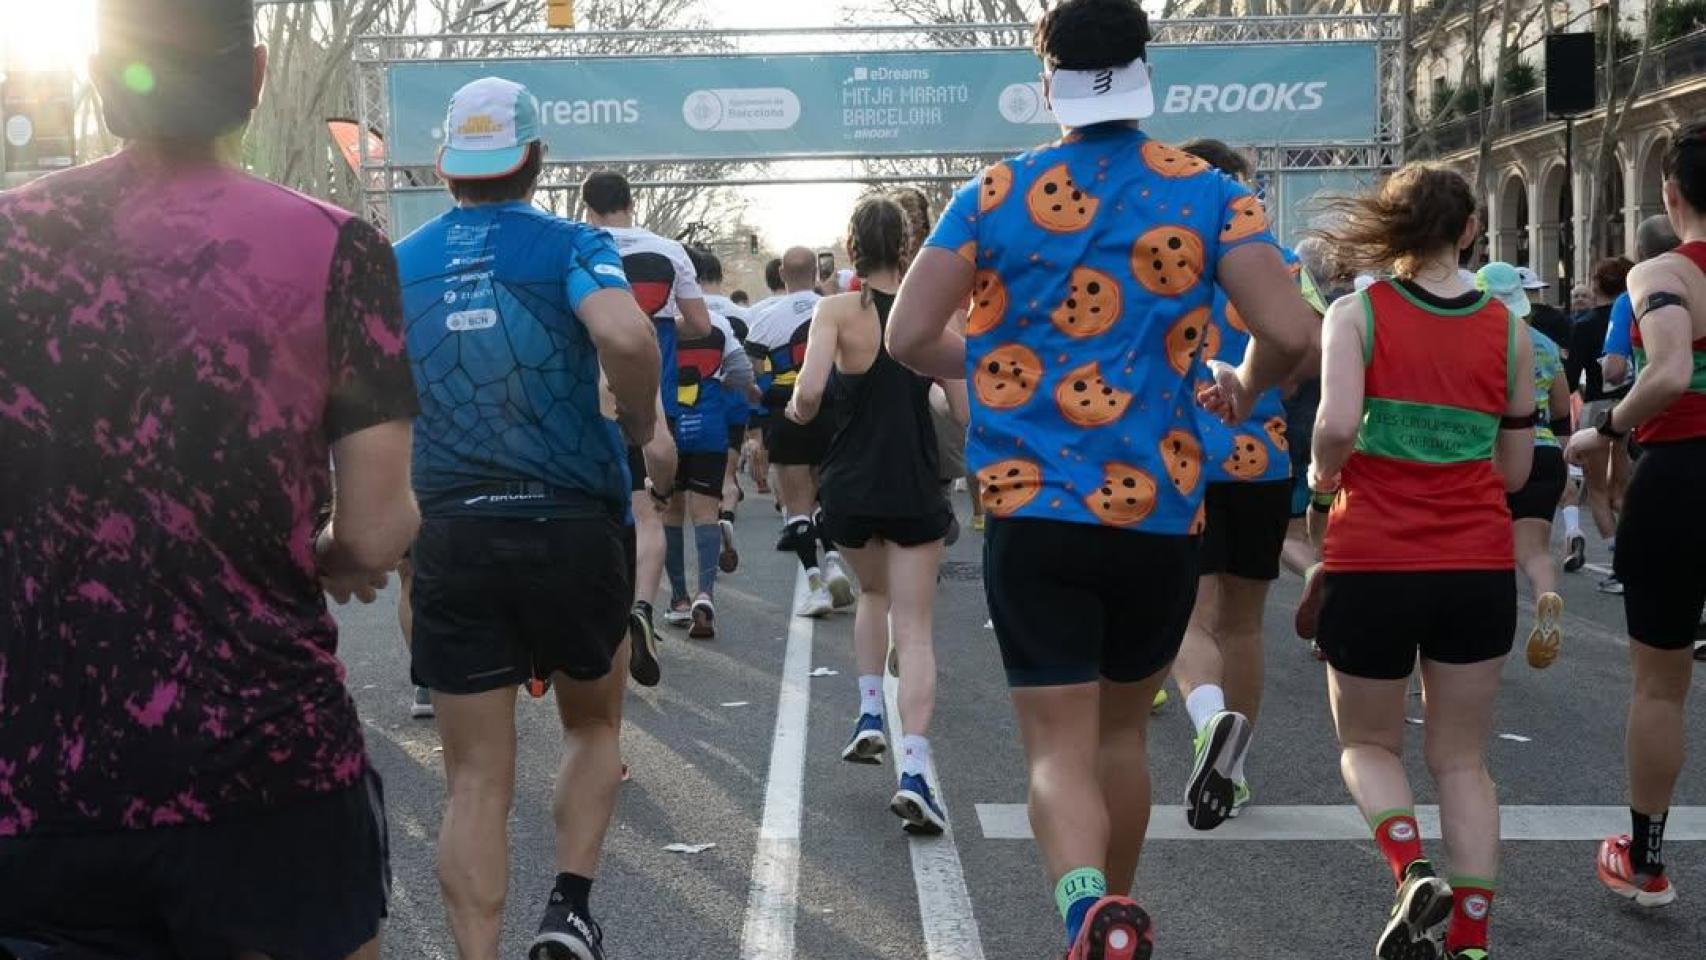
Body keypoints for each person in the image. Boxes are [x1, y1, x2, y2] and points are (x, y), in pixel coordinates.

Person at [888, 0, 1315, 953]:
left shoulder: (992, 192)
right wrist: (1244, 388)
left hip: (1033, 513)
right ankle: (1111, 915)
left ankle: (1086, 906)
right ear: (1142, 66)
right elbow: (1292, 333)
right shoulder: (1213, 194)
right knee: (1121, 737)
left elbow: (908, 336)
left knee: (1056, 749)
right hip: (1161, 517)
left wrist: (995, 369)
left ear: (1047, 83)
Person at [0, 1, 419, 955]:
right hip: (266, 769)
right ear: (257, 76)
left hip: (39, 774)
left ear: (99, 78)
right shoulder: (342, 250)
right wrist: (329, 552)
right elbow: (380, 528)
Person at [395, 79, 662, 960]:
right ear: (538, 160)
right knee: (592, 724)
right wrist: (635, 421)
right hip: (573, 522)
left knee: (473, 777)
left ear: (445, 165)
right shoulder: (577, 243)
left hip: (451, 526)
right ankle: (570, 907)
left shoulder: (397, 262)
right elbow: (625, 338)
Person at [1306, 165, 1535, 960]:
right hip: (1475, 562)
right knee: (1464, 760)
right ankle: (1470, 939)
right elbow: (1513, 470)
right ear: (1470, 229)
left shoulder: (1355, 313)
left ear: (1388, 227)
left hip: (1372, 555)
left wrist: (1321, 475)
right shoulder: (1509, 328)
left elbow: (1336, 425)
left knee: (1368, 747)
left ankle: (1410, 871)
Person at [1565, 122, 1706, 908]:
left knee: (1660, 687)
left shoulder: (1663, 272)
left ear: (1669, 191)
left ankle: (1646, 860)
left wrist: (1605, 427)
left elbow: (1671, 372)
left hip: (1683, 477)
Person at [788, 196, 957, 832]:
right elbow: (963, 411)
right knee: (914, 629)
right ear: (908, 248)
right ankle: (913, 769)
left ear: (854, 248)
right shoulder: (933, 316)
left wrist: (798, 417)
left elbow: (807, 394)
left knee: (871, 595)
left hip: (850, 484)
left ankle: (866, 713)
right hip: (914, 483)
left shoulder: (834, 311)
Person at [1170, 138, 1324, 829]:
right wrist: (1267, 384)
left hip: (1180, 461)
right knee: (1245, 625)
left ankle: (1209, 724)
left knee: (1188, 616)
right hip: (1263, 460)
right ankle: (1234, 773)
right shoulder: (1280, 262)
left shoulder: (1164, 263)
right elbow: (1310, 347)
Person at [581, 171, 712, 677]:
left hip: (589, 395)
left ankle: (599, 618)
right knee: (647, 512)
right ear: (632, 202)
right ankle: (641, 608)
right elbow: (700, 326)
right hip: (651, 390)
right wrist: (658, 323)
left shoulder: (578, 245)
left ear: (588, 207)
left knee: (591, 513)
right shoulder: (669, 251)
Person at [749, 247, 855, 616]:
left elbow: (752, 371)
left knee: (797, 503)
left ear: (781, 272)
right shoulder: (838, 307)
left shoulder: (763, 315)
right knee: (823, 495)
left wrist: (763, 401)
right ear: (815, 272)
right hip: (832, 411)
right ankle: (835, 564)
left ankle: (815, 583)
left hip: (787, 412)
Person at [1479, 263, 1572, 670]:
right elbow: (1560, 408)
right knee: (1533, 550)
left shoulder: (1480, 341)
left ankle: (1484, 636)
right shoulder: (1547, 345)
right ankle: (1546, 598)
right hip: (1546, 451)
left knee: (1487, 551)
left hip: (1495, 451)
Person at [661, 247, 755, 639]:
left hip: (665, 429)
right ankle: (705, 594)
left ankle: (679, 598)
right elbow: (741, 371)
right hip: (710, 431)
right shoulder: (716, 324)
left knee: (669, 513)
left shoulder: (656, 324)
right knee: (705, 512)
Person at [1565, 256, 1635, 592]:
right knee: (1623, 489)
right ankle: (1636, 552)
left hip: (1597, 408)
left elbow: (1570, 374)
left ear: (1596, 286)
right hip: (1633, 405)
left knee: (1597, 490)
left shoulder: (1585, 323)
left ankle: (1620, 564)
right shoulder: (1635, 317)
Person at [695, 249, 757, 575]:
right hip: (735, 397)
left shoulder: (686, 310)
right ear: (720, 278)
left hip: (698, 398)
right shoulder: (740, 313)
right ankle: (727, 516)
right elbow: (750, 362)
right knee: (729, 474)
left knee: (695, 482)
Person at [1601, 216, 1681, 392]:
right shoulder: (1696, 286)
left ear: (1638, 251)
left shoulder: (1629, 300)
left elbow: (1614, 371)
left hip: (1656, 403)